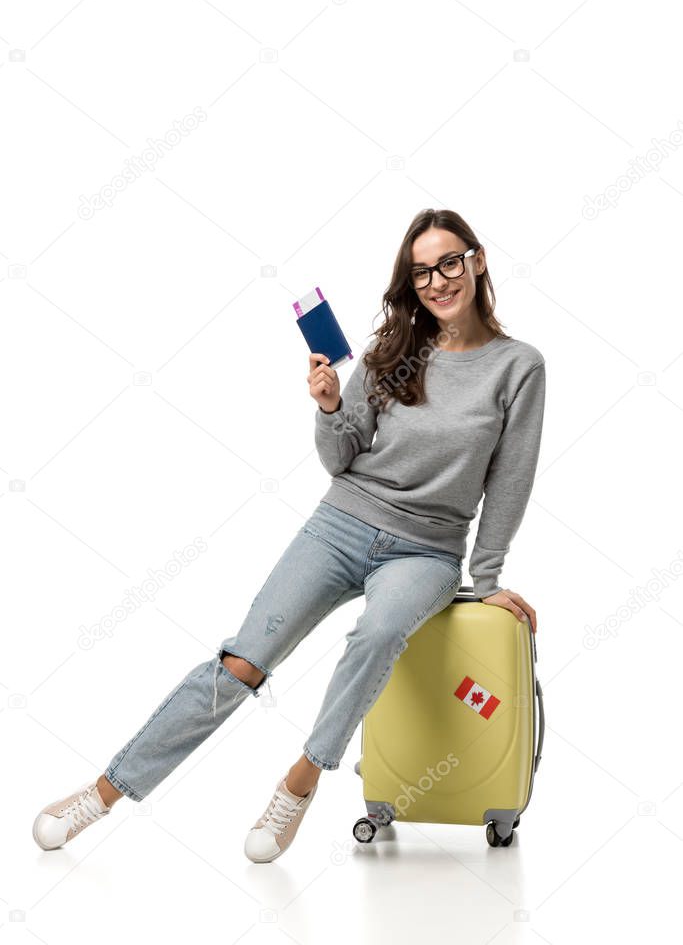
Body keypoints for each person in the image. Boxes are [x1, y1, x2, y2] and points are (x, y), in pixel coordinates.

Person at [32, 207, 545, 863]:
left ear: (475, 259)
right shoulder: (391, 351)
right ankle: (103, 792)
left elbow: (510, 476)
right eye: (421, 272)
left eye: (449, 262)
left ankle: (298, 783)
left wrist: (488, 579)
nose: (437, 280)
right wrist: (331, 407)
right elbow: (341, 455)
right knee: (243, 660)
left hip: (426, 549)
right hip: (342, 521)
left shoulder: (517, 366)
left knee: (379, 633)